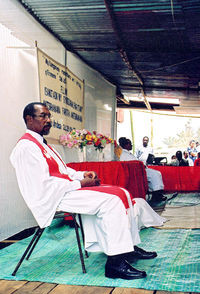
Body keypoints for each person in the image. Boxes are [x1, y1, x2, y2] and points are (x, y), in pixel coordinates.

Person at [10, 102, 160, 281]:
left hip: (64, 190)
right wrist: (80, 183)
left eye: (49, 116)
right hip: (52, 198)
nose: (49, 120)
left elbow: (63, 171)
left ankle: (128, 248)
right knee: (112, 201)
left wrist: (82, 174)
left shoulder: (41, 144)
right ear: (29, 119)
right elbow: (41, 185)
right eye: (43, 116)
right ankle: (115, 264)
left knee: (122, 193)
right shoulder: (25, 147)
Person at [119, 137, 167, 202]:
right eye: (130, 144)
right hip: (136, 171)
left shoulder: (127, 153)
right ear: (126, 145)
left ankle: (156, 193)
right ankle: (157, 194)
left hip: (140, 169)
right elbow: (132, 163)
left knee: (155, 173)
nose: (131, 145)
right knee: (155, 174)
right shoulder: (124, 154)